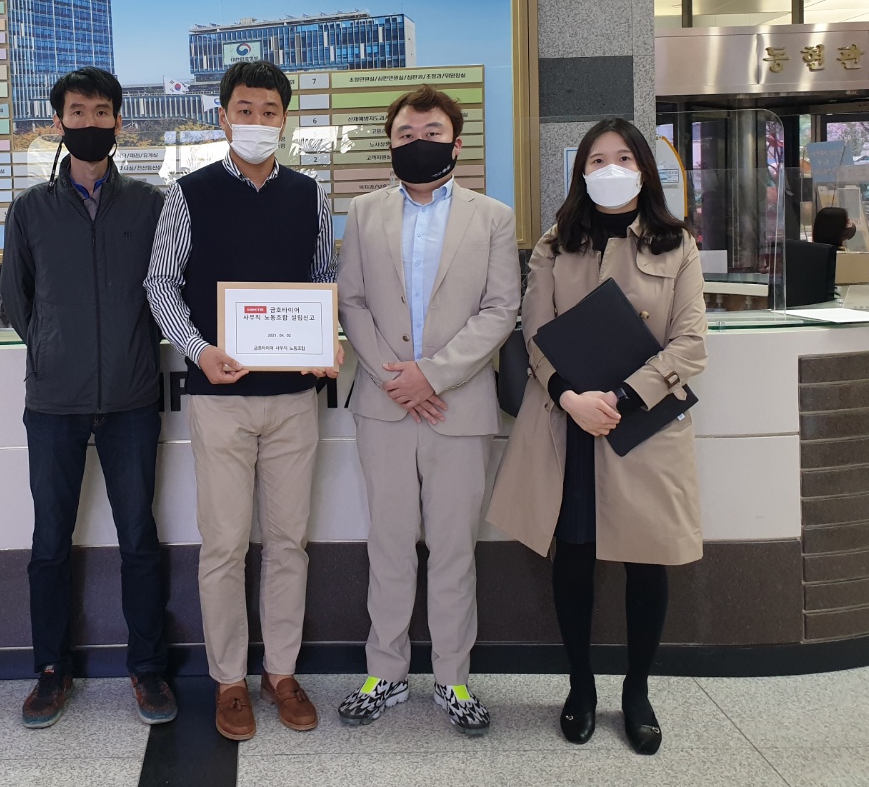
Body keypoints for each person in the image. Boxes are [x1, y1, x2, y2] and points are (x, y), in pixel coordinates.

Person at [487, 117, 707, 757]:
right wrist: (570, 397)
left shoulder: (676, 243)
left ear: (644, 169)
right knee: (574, 557)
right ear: (581, 172)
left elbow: (690, 342)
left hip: (640, 423)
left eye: (624, 159)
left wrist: (623, 397)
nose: (611, 170)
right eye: (597, 160)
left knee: (647, 560)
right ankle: (580, 685)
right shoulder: (556, 243)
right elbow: (534, 332)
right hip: (569, 423)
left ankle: (637, 691)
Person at [144, 60, 341, 742]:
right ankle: (229, 680)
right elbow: (161, 285)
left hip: (293, 399)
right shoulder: (188, 193)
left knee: (289, 543)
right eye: (245, 110)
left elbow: (321, 278)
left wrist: (326, 339)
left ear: (285, 119)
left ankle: (280, 674)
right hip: (219, 397)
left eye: (269, 111)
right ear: (223, 117)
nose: (257, 122)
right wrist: (199, 350)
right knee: (225, 546)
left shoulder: (310, 194)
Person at [335, 86, 520, 735]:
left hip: (459, 407)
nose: (419, 142)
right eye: (406, 134)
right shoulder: (364, 213)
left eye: (432, 132)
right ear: (390, 143)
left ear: (457, 143)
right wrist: (397, 378)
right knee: (387, 545)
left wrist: (432, 375)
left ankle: (453, 679)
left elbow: (501, 308)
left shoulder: (492, 217)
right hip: (385, 404)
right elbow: (352, 301)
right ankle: (384, 674)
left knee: (453, 550)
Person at [0, 67, 174, 730]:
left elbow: (168, 291)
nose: (91, 123)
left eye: (103, 112)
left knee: (140, 538)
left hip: (132, 397)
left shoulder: (151, 205)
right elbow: (18, 302)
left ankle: (148, 668)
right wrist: (56, 348)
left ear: (119, 121)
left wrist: (129, 350)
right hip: (54, 402)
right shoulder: (30, 211)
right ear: (59, 122)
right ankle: (51, 671)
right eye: (78, 112)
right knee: (49, 541)